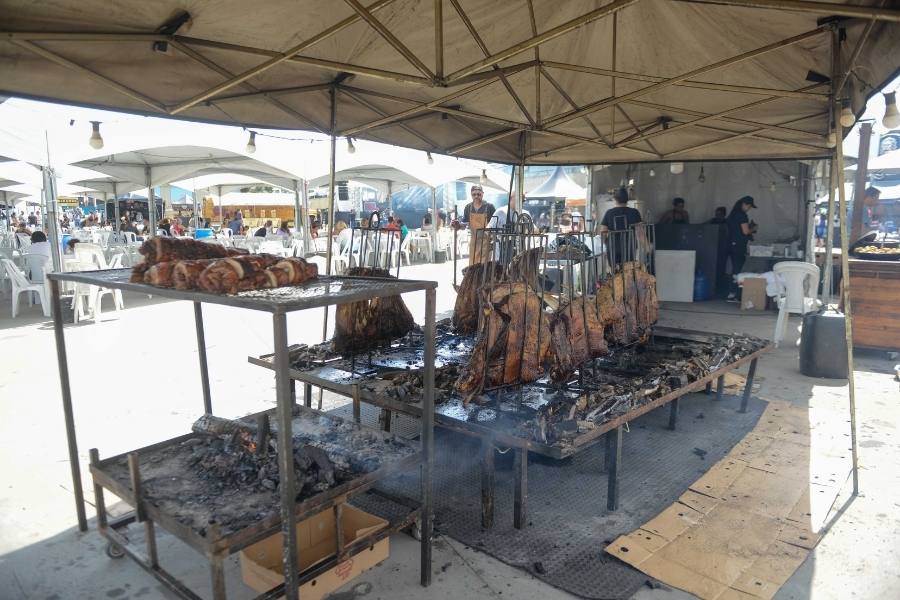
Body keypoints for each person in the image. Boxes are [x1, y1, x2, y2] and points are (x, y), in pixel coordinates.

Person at [600, 187, 643, 267]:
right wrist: (647, 247)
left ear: (615, 199)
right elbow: (640, 234)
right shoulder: (634, 212)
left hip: (613, 248)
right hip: (629, 247)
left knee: (614, 274)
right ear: (627, 199)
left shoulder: (609, 213)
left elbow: (603, 233)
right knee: (628, 272)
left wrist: (604, 245)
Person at [726, 195, 758, 301]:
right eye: (749, 206)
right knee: (737, 270)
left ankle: (732, 292)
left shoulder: (733, 214)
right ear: (744, 204)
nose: (749, 209)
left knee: (735, 269)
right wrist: (753, 229)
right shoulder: (742, 215)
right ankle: (733, 293)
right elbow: (745, 231)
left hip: (731, 244)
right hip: (739, 246)